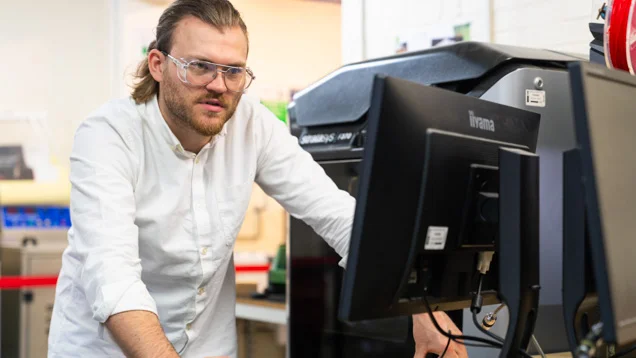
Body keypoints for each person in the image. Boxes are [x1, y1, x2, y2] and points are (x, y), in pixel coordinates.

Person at [47, 1, 468, 357]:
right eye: (199, 67)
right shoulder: (107, 135)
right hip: (108, 347)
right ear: (157, 64)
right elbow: (113, 276)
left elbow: (338, 214)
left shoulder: (252, 124)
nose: (218, 85)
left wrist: (422, 310)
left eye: (234, 71)